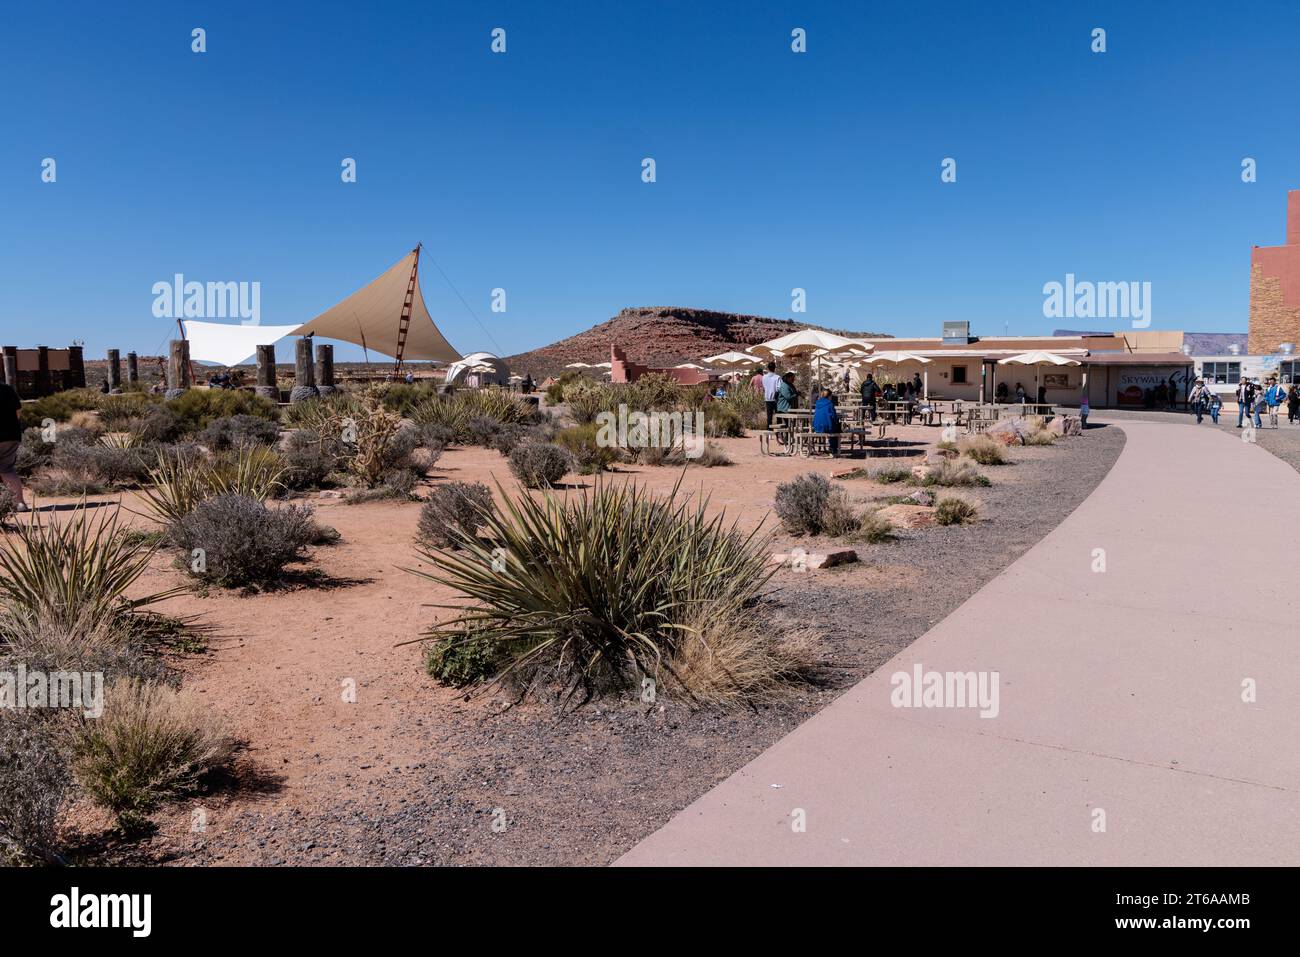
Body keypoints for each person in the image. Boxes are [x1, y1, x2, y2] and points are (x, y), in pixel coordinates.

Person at [0, 378, 27, 514]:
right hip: (10, 435)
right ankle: (19, 503)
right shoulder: (8, 389)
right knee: (7, 469)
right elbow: (18, 412)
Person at [812, 387, 841, 456]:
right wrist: (837, 423)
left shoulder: (817, 403)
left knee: (833, 427)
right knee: (836, 429)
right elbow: (834, 416)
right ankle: (833, 448)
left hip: (816, 426)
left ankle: (832, 448)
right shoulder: (830, 404)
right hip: (827, 427)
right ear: (829, 396)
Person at [761, 362, 781, 428]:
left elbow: (764, 387)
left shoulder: (764, 377)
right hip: (776, 399)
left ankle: (769, 429)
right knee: (778, 416)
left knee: (769, 415)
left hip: (767, 398)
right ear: (774, 368)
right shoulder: (777, 377)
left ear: (768, 368)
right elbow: (779, 388)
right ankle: (779, 430)